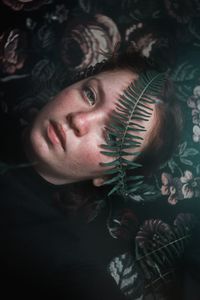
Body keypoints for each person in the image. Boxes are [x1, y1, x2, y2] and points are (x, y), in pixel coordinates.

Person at [0, 48, 182, 299]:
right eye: (90, 94)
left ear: (108, 176)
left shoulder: (67, 268)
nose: (80, 120)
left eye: (113, 137)